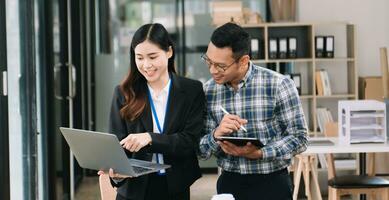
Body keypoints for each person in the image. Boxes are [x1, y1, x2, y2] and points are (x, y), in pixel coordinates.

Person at [198, 22, 309, 200]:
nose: (212, 70)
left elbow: (300, 138)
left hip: (273, 183)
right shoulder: (207, 91)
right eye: (209, 61)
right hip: (229, 182)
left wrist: (261, 153)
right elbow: (200, 150)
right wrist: (215, 134)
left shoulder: (278, 85)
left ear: (243, 61)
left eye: (221, 66)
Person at [98, 23, 204, 200]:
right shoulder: (124, 93)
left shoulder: (191, 90)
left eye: (152, 57)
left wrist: (150, 138)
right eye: (139, 58)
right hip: (134, 190)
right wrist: (116, 173)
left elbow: (190, 141)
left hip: (174, 188)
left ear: (169, 52)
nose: (146, 65)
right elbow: (117, 145)